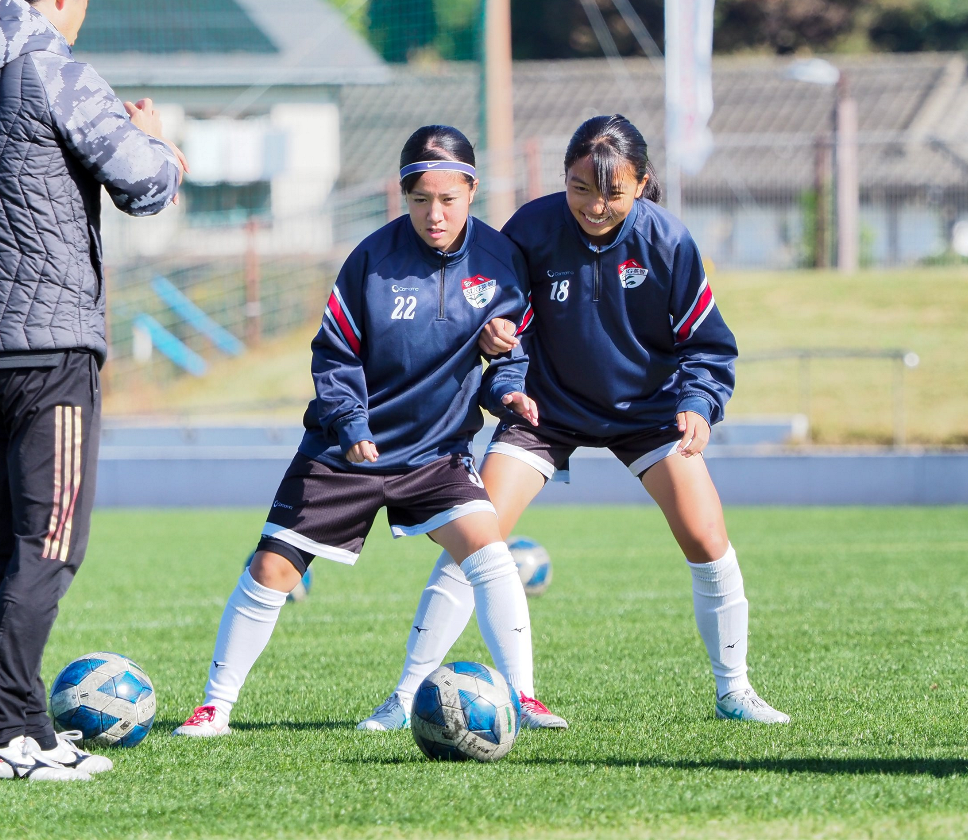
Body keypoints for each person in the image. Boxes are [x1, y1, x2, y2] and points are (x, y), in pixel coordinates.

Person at [358, 115, 789, 731]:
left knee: (705, 536)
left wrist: (699, 402)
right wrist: (498, 356)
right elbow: (497, 313)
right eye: (580, 188)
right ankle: (403, 698)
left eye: (613, 192)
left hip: (646, 412)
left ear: (642, 184)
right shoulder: (531, 229)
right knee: (474, 538)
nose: (594, 205)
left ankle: (735, 690)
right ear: (564, 178)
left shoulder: (669, 241)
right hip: (545, 410)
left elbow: (707, 343)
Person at [173, 125, 565, 738]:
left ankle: (524, 695)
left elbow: (506, 355)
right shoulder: (371, 261)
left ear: (471, 190)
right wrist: (352, 423)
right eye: (419, 201)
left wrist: (508, 389)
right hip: (344, 452)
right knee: (273, 570)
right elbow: (334, 356)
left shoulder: (501, 263)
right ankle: (214, 707)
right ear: (403, 196)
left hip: (436, 453)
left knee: (490, 556)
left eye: (448, 200)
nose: (434, 215)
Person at [0, 0, 187, 781]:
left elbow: (34, 167)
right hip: (51, 344)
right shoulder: (53, 60)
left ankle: (24, 727)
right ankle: (4, 732)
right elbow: (143, 181)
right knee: (52, 545)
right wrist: (159, 141)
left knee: (14, 547)